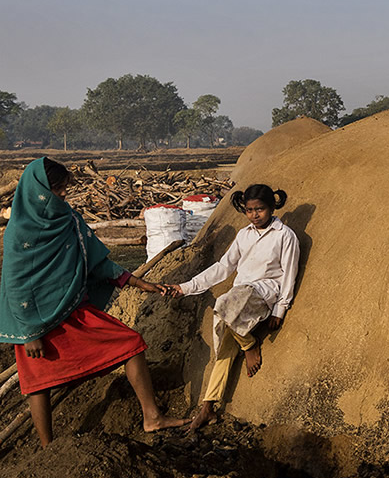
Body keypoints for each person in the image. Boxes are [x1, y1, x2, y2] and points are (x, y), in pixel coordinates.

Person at [0, 158, 188, 447]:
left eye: (64, 188)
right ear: (39, 190)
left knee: (131, 344)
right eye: (57, 189)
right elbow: (15, 284)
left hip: (72, 310)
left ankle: (152, 417)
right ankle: (48, 447)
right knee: (38, 383)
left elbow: (96, 263)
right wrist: (30, 333)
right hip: (33, 323)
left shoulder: (69, 220)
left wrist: (140, 283)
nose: (63, 194)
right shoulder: (20, 232)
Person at [163, 183, 299, 431]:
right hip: (240, 296)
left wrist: (281, 309)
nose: (254, 215)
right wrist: (186, 287)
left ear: (272, 207)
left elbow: (289, 274)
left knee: (223, 305)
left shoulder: (285, 236)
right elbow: (223, 267)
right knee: (223, 350)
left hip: (263, 294)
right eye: (249, 210)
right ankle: (207, 408)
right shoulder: (244, 235)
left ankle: (249, 345)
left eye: (260, 209)